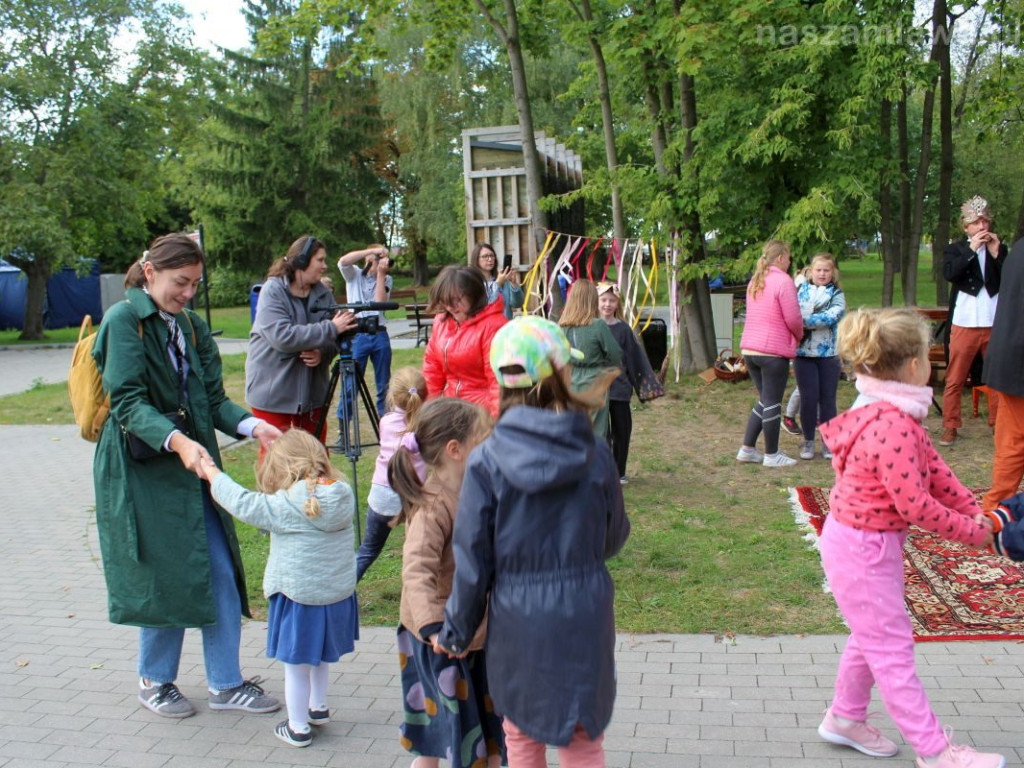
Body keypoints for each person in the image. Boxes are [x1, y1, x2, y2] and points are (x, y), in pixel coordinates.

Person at [92, 233, 283, 719]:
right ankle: (154, 680)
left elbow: (213, 400)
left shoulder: (192, 328)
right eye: (181, 282)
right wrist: (178, 442)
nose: (189, 294)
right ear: (151, 273)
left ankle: (225, 683)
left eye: (196, 284)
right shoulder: (124, 322)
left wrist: (255, 425)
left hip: (194, 464)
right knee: (166, 573)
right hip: (145, 469)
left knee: (217, 567)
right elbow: (128, 403)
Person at [437, 316, 631, 768]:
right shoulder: (595, 450)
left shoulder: (486, 459)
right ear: (561, 373)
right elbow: (614, 535)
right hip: (585, 611)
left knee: (521, 735)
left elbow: (472, 559)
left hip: (518, 620)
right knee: (583, 738)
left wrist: (456, 630)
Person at [816, 307, 1003, 768]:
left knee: (874, 633)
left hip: (865, 544)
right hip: (862, 547)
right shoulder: (891, 423)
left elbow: (935, 469)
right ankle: (936, 751)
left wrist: (972, 510)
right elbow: (915, 504)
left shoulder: (895, 412)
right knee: (891, 649)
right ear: (916, 365)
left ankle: (844, 717)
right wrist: (972, 533)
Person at [198, 429, 358, 748]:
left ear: (282, 467)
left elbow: (241, 502)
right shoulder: (343, 493)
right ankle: (318, 707)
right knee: (321, 658)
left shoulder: (286, 505)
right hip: (336, 598)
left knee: (296, 667)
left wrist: (211, 472)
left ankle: (298, 727)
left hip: (299, 600)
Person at [387, 397, 502, 768]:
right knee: (447, 738)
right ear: (455, 450)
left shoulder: (478, 487)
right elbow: (416, 570)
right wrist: (434, 628)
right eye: (483, 439)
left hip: (476, 635)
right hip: (440, 644)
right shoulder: (433, 506)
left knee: (480, 733)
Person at [246, 235, 357, 456]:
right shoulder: (273, 291)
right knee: (277, 462)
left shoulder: (323, 293)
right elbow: (282, 336)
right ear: (302, 261)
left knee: (315, 458)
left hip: (312, 397)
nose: (325, 266)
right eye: (320, 259)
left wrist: (322, 353)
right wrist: (330, 329)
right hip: (274, 395)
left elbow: (339, 336)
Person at [939, 195, 1004, 446]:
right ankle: (950, 425)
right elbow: (950, 273)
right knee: (955, 378)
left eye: (985, 222)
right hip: (964, 322)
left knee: (997, 378)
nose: (982, 227)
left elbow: (1007, 279)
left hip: (993, 323)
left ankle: (999, 424)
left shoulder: (999, 248)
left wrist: (996, 254)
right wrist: (971, 250)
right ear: (966, 227)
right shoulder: (956, 249)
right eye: (977, 223)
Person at [355, 366, 427, 581]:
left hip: (383, 493)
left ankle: (341, 592)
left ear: (393, 396)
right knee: (418, 552)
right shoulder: (426, 425)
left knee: (367, 550)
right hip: (414, 496)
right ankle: (418, 593)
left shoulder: (385, 422)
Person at [736, 240, 803, 467]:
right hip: (772, 351)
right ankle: (772, 454)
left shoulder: (756, 280)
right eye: (789, 257)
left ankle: (747, 448)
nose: (791, 261)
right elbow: (793, 318)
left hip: (750, 350)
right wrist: (799, 335)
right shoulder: (784, 281)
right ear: (781, 258)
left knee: (765, 400)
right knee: (773, 402)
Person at [422, 265, 508, 417]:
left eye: (457, 300)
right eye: (446, 301)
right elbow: (432, 367)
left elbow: (498, 383)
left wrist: (495, 424)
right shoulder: (441, 322)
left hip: (481, 414)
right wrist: (428, 411)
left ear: (473, 294)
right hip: (452, 409)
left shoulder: (493, 326)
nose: (450, 307)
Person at [597, 280, 655, 483]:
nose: (607, 305)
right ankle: (603, 470)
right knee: (601, 432)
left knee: (622, 431)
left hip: (619, 389)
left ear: (617, 304)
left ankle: (619, 471)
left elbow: (633, 359)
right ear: (597, 302)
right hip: (597, 390)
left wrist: (642, 386)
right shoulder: (592, 328)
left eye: (611, 301)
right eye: (603, 300)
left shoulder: (623, 330)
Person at [982, 236, 1024, 511]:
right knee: (1012, 442)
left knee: (1011, 443)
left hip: (1009, 355)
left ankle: (995, 512)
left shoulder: (1019, 247)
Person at [336, 244, 394, 434]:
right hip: (358, 333)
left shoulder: (386, 278)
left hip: (379, 332)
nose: (381, 260)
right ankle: (343, 431)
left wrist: (380, 274)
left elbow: (379, 303)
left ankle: (385, 429)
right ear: (367, 258)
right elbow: (343, 261)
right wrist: (371, 254)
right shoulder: (354, 275)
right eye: (378, 257)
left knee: (384, 384)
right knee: (350, 383)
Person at [794, 253, 846, 460]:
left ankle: (828, 441)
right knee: (808, 398)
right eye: (818, 270)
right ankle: (807, 441)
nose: (822, 274)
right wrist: (807, 319)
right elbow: (792, 314)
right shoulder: (800, 290)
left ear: (832, 272)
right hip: (803, 353)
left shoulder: (837, 293)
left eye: (826, 270)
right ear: (811, 271)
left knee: (828, 399)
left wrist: (805, 320)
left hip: (829, 354)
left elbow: (833, 315)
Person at [559, 279, 623, 440]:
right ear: (592, 300)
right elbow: (616, 355)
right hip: (595, 381)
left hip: (569, 381)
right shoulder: (598, 325)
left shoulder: (561, 327)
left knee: (572, 429)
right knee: (596, 433)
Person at [472, 241, 524, 320]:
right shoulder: (472, 283)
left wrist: (514, 284)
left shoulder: (501, 277)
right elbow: (486, 306)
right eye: (485, 256)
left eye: (492, 256)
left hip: (505, 328)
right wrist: (498, 284)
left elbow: (517, 304)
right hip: (486, 328)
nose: (490, 259)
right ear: (476, 259)